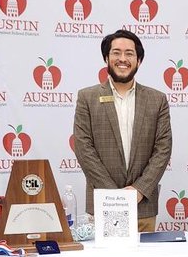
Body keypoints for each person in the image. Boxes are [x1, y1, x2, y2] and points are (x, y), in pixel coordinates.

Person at [73, 30, 173, 233]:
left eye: (129, 54)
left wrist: (139, 190)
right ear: (106, 58)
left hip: (142, 206)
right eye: (116, 53)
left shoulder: (157, 99)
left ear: (139, 60)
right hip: (102, 205)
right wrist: (115, 197)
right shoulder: (87, 97)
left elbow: (163, 149)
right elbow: (84, 149)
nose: (122, 59)